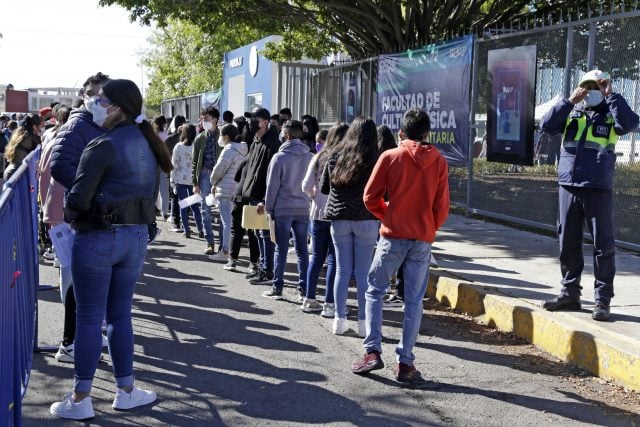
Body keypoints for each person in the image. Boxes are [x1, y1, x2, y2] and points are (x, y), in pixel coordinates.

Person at [50, 79, 172, 420]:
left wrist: (76, 216)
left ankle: (81, 397)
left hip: (99, 237)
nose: (95, 104)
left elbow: (77, 198)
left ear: (117, 106)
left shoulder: (102, 145)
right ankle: (126, 390)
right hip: (135, 238)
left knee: (90, 317)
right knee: (120, 315)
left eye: (101, 100)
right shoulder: (149, 143)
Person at [352, 108, 449, 383]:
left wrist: (389, 215)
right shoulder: (439, 161)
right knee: (414, 301)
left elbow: (370, 197)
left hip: (393, 235)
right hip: (422, 239)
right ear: (427, 133)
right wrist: (428, 226)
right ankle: (405, 361)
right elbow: (441, 207)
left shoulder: (390, 156)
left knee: (375, 291)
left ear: (401, 132)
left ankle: (372, 351)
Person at [539, 70, 639, 321]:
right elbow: (546, 126)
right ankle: (569, 293)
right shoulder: (572, 110)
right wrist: (570, 101)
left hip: (597, 187)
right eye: (587, 85)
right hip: (569, 185)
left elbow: (629, 124)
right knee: (567, 242)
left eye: (597, 85)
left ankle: (602, 301)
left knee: (603, 246)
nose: (591, 90)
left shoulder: (612, 113)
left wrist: (612, 95)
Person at [49, 72, 110, 363]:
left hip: (89, 216)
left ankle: (82, 340)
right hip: (75, 216)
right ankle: (71, 343)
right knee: (76, 281)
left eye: (106, 98)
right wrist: (94, 193)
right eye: (97, 96)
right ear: (86, 96)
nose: (102, 102)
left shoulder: (99, 124)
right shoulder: (77, 126)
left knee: (89, 281)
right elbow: (61, 167)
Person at [321, 116, 379, 336]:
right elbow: (383, 191)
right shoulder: (375, 158)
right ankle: (364, 323)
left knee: (342, 271)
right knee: (363, 274)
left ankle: (339, 320)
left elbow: (325, 188)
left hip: (339, 217)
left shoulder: (335, 155)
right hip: (365, 217)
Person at [263, 120, 313, 299]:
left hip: (283, 208)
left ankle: (277, 287)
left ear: (288, 135)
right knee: (302, 251)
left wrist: (269, 208)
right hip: (303, 208)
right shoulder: (309, 156)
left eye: (283, 134)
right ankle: (305, 289)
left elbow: (272, 187)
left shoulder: (279, 157)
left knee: (280, 248)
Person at [301, 123, 348, 315]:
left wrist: (315, 195)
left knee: (316, 258)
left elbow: (305, 185)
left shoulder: (318, 156)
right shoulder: (346, 159)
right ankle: (330, 303)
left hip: (317, 213)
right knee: (334, 260)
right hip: (337, 214)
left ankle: (309, 298)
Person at [242, 107, 281, 285]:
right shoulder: (256, 141)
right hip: (253, 195)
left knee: (265, 235)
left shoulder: (272, 143)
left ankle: (268, 271)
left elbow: (272, 176)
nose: (251, 122)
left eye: (255, 119)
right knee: (258, 233)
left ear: (264, 122)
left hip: (264, 197)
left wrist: (266, 199)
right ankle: (263, 267)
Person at [209, 123, 248, 262]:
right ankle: (230, 251)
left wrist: (213, 182)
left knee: (227, 223)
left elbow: (218, 170)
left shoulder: (228, 150)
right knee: (234, 223)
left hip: (225, 190)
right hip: (238, 190)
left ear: (226, 137)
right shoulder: (244, 149)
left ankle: (225, 250)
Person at [192, 106, 221, 255]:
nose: (203, 122)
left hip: (220, 177)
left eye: (206, 119)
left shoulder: (223, 136)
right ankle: (210, 242)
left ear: (215, 120)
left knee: (222, 209)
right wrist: (194, 183)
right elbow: (195, 161)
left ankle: (223, 244)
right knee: (206, 209)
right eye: (202, 119)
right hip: (204, 175)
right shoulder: (199, 138)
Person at [171, 124, 204, 238]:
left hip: (180, 179)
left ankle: (186, 230)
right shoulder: (197, 145)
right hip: (194, 180)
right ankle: (200, 229)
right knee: (195, 207)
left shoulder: (178, 147)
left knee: (183, 206)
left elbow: (174, 165)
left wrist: (172, 180)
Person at [2, 113, 44, 180]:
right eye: (40, 126)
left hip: (12, 172)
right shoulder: (30, 137)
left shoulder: (21, 133)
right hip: (17, 174)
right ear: (34, 126)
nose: (41, 129)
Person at [165, 115, 187, 231]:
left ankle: (175, 220)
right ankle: (184, 222)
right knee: (184, 198)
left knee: (174, 196)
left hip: (172, 171)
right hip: (187, 174)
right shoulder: (189, 140)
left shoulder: (169, 139)